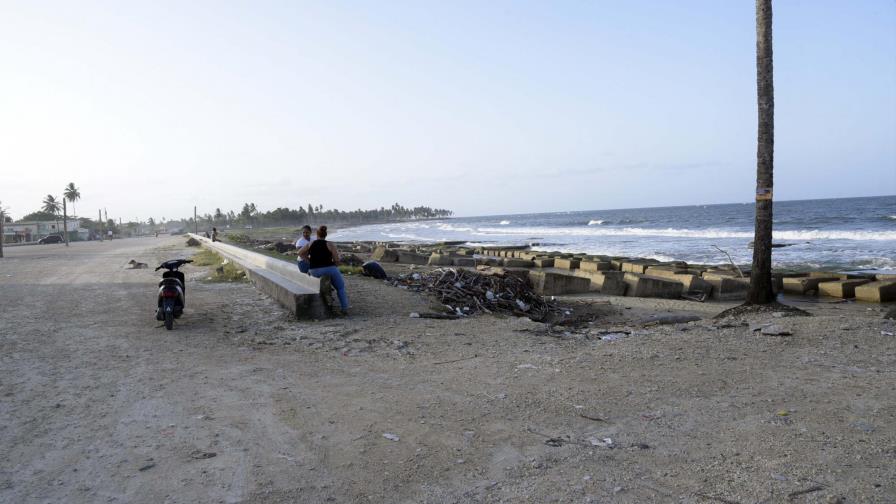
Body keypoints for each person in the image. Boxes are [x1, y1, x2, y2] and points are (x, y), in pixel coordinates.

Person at [298, 225, 349, 313]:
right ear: (325, 235)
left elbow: (300, 253)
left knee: (328, 277)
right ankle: (344, 309)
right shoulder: (330, 244)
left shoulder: (311, 243)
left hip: (314, 270)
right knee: (340, 287)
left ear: (317, 235)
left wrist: (309, 261)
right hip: (329, 268)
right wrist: (335, 266)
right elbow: (336, 260)